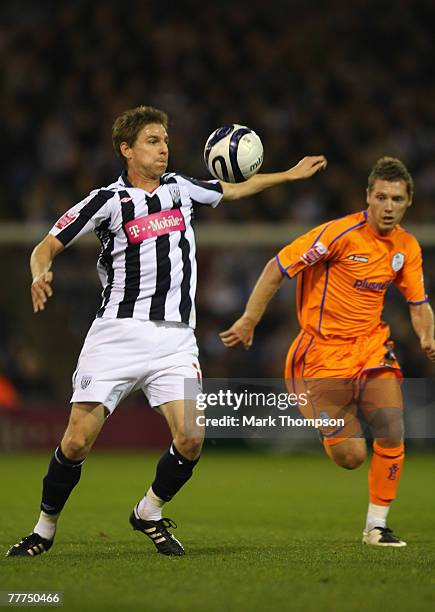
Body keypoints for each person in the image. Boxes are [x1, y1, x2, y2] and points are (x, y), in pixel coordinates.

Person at [6, 105, 327, 557]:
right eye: (153, 141)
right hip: (116, 333)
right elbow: (46, 246)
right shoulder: (107, 201)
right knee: (76, 441)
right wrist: (40, 273)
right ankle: (44, 528)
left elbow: (234, 189)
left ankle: (149, 511)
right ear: (127, 149)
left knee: (192, 437)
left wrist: (288, 175)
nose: (164, 149)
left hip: (175, 338)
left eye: (165, 140)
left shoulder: (181, 189)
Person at [221, 157, 435, 547]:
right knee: (351, 456)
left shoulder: (406, 246)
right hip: (320, 355)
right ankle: (333, 427)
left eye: (397, 199)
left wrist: (426, 336)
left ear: (408, 203)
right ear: (367, 197)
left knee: (392, 429)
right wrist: (249, 319)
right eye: (382, 197)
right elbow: (277, 266)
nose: (388, 206)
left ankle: (376, 527)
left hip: (371, 347)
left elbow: (418, 302)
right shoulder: (338, 235)